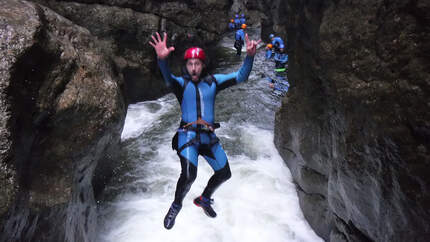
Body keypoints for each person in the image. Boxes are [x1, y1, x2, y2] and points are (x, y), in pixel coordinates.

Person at [149, 32, 260, 230]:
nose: (193, 67)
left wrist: (250, 56)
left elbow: (241, 77)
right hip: (187, 136)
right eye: (190, 64)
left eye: (197, 64)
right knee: (189, 175)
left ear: (203, 65)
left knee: (225, 173)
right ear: (186, 66)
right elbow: (166, 76)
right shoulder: (180, 85)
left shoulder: (214, 82)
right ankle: (176, 205)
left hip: (208, 137)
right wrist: (162, 59)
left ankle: (205, 198)